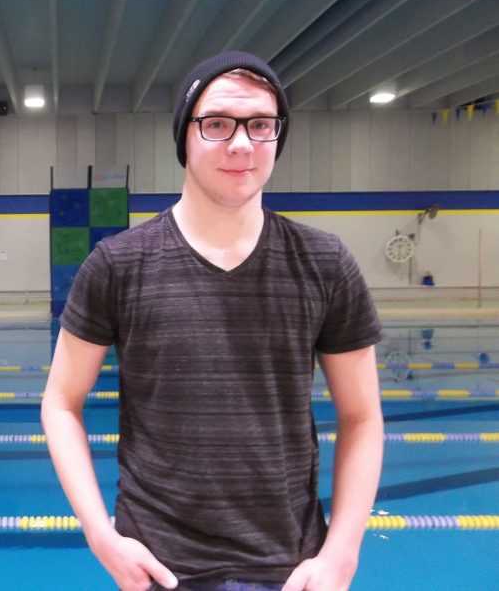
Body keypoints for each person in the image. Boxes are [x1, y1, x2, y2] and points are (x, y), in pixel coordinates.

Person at [41, 51, 383, 591]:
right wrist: (99, 533)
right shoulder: (118, 265)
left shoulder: (325, 262)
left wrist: (342, 552)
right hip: (158, 568)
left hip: (291, 569)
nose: (242, 143)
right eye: (218, 124)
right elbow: (60, 402)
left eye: (261, 125)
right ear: (185, 136)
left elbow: (362, 417)